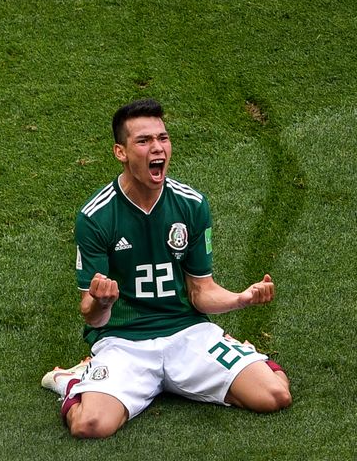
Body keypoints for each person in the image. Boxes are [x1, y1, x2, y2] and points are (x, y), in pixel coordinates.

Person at [41, 99, 292, 439]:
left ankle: (236, 357)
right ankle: (74, 379)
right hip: (124, 342)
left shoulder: (191, 204)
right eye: (144, 141)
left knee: (275, 395)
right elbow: (92, 317)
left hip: (187, 335)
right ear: (121, 152)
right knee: (90, 426)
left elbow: (201, 292)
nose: (157, 147)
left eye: (163, 138)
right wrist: (102, 302)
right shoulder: (95, 216)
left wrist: (241, 299)